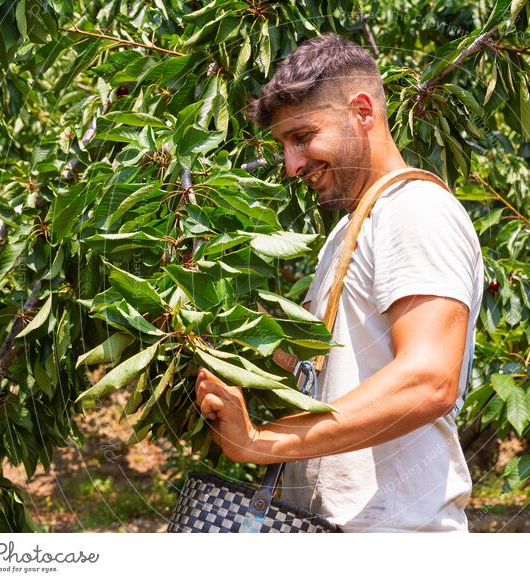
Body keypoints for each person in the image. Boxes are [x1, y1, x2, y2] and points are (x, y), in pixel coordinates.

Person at [194, 33, 484, 532]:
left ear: (363, 112)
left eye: (303, 137)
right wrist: (231, 329)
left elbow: (429, 380)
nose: (292, 165)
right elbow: (334, 365)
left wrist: (268, 441)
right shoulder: (351, 231)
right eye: (285, 145)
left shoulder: (415, 210)